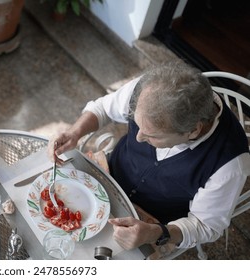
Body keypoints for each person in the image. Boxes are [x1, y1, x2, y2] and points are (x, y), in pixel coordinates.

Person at [48, 61, 250, 254]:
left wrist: (157, 233)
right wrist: (75, 132)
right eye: (138, 124)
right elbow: (103, 109)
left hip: (153, 221)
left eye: (152, 135)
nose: (137, 137)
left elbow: (205, 225)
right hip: (109, 171)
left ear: (193, 131)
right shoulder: (150, 90)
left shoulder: (231, 165)